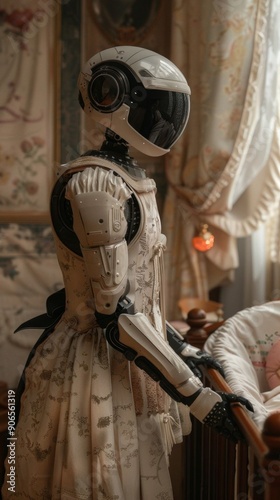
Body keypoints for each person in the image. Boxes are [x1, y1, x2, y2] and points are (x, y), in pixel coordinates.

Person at [2, 46, 252, 500]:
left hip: (130, 361)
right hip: (92, 368)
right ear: (110, 96)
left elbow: (142, 300)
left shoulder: (130, 178)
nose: (165, 119)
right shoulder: (94, 185)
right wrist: (198, 396)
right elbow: (114, 314)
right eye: (154, 105)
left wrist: (186, 352)